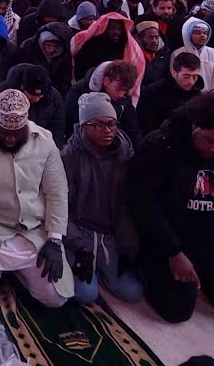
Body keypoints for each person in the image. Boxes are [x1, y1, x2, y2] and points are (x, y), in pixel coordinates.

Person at [129, 91, 214, 323]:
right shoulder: (160, 146)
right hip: (171, 242)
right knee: (177, 309)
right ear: (195, 127)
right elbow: (145, 205)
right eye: (210, 141)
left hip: (212, 244)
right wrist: (173, 252)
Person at [0, 89, 73, 306]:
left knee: (56, 298)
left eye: (16, 133)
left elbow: (57, 192)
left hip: (33, 232)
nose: (9, 138)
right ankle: (2, 271)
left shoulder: (45, 142)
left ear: (25, 126)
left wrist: (55, 240)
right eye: (3, 132)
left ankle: (18, 274)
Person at [61, 92, 143, 304]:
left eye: (111, 124)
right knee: (85, 294)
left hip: (110, 235)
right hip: (80, 232)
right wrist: (78, 246)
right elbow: (60, 208)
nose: (107, 130)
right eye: (98, 124)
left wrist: (129, 243)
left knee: (132, 292)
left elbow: (129, 206)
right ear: (83, 126)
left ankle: (102, 269)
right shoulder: (70, 156)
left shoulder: (125, 154)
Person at [137, 49, 205, 136]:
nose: (191, 82)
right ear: (174, 73)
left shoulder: (199, 97)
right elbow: (145, 125)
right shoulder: (153, 92)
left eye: (195, 77)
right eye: (186, 76)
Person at [182, 17, 214, 92]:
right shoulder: (178, 53)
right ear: (188, 34)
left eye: (205, 33)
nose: (202, 35)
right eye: (198, 33)